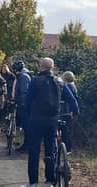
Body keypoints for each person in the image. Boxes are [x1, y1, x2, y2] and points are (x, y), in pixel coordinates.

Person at [25, 57, 79, 187]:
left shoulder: (34, 81)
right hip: (53, 120)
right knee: (51, 150)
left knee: (34, 150)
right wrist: (75, 112)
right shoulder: (60, 82)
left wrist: (28, 115)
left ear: (40, 67)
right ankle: (50, 180)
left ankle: (33, 182)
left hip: (36, 120)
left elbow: (27, 101)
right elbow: (72, 100)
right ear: (52, 68)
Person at [12, 60, 31, 153]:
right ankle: (26, 145)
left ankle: (27, 146)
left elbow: (24, 92)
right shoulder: (23, 76)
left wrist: (22, 103)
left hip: (24, 106)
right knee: (25, 126)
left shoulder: (23, 77)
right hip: (23, 105)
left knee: (26, 127)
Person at [60, 71, 79, 153]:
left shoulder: (68, 86)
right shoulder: (73, 85)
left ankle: (67, 149)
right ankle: (67, 149)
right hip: (70, 111)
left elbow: (70, 100)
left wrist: (71, 111)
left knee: (66, 130)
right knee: (68, 130)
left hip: (67, 111)